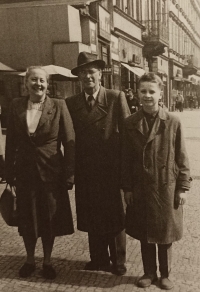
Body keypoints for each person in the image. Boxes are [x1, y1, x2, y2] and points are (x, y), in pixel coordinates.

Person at [121, 73, 190, 290]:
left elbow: (182, 157)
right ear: (137, 94)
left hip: (166, 187)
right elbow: (125, 158)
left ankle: (166, 273)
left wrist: (183, 187)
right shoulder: (130, 123)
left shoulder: (172, 122)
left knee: (165, 232)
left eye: (152, 91)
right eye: (143, 91)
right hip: (141, 188)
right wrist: (127, 188)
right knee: (145, 233)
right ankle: (149, 272)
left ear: (161, 94)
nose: (147, 96)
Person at [5, 66, 75, 279]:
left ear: (48, 84)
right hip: (25, 173)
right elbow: (11, 143)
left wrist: (69, 175)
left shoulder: (59, 106)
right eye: (34, 80)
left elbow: (70, 143)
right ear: (26, 83)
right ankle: (29, 260)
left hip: (51, 173)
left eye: (42, 81)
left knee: (49, 218)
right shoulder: (16, 105)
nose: (38, 84)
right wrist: (9, 173)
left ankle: (47, 261)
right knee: (27, 219)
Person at [66, 51, 130, 275]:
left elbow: (128, 136)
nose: (87, 77)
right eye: (82, 73)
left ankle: (118, 261)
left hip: (111, 170)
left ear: (100, 74)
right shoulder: (71, 103)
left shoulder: (115, 97)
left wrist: (126, 173)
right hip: (86, 171)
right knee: (92, 215)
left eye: (91, 71)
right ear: (79, 77)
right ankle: (98, 259)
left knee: (115, 216)